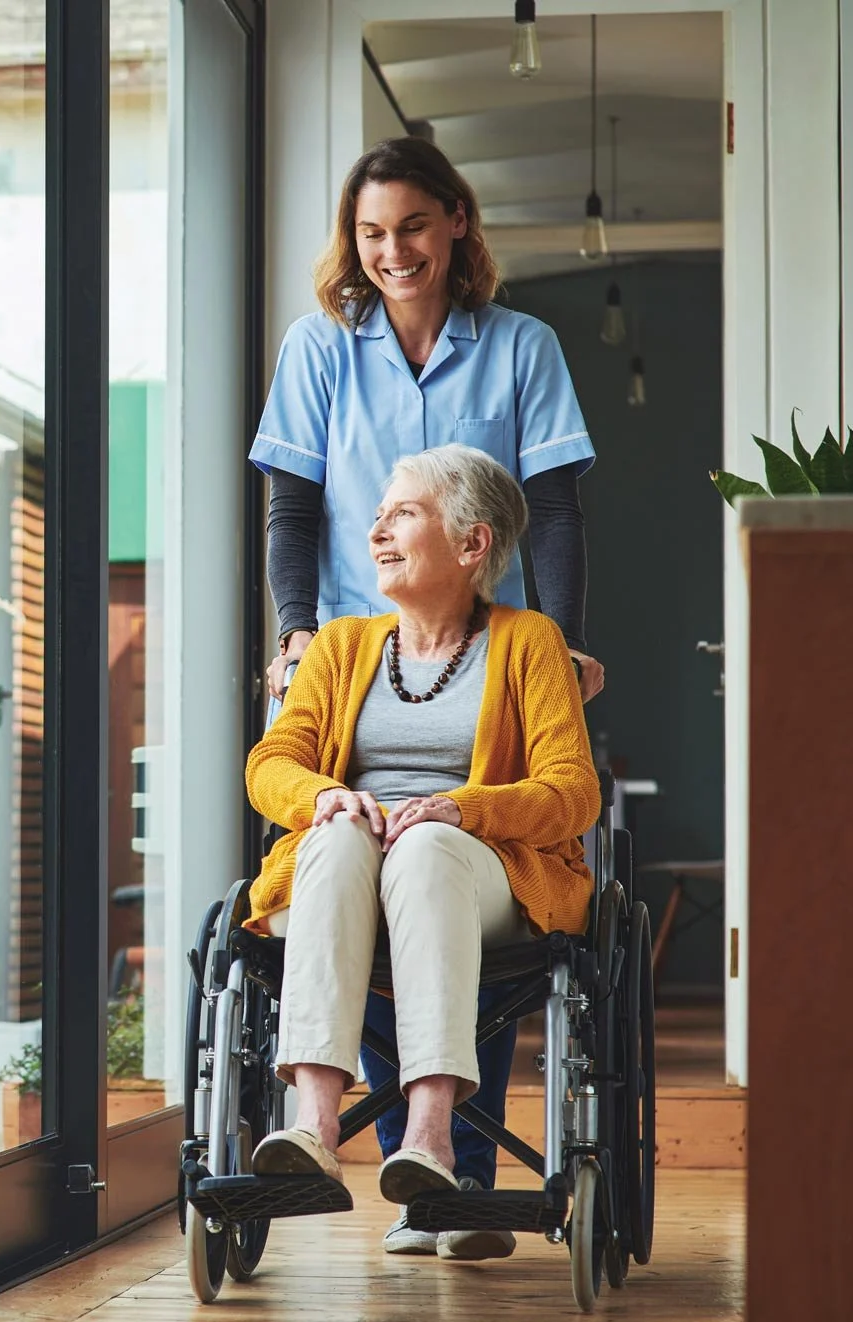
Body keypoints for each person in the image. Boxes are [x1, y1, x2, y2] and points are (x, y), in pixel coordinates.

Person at [250, 136, 601, 1259]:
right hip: (362, 647)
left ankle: (449, 1165)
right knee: (344, 849)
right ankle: (341, 1132)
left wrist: (557, 641)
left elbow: (551, 508)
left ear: (454, 224)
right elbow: (291, 507)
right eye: (369, 232)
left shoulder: (518, 347)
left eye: (409, 226)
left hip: (482, 648)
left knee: (440, 855)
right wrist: (297, 636)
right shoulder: (320, 347)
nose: (389, 250)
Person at [245, 446, 600, 1240]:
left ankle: (432, 1135)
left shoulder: (530, 641)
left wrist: (460, 809)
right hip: (354, 868)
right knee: (333, 838)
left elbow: (573, 790)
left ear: (473, 544)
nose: (376, 531)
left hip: (481, 870)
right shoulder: (337, 646)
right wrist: (325, 794)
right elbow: (271, 764)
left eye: (401, 512)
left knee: (424, 848)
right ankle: (313, 1125)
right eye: (376, 515)